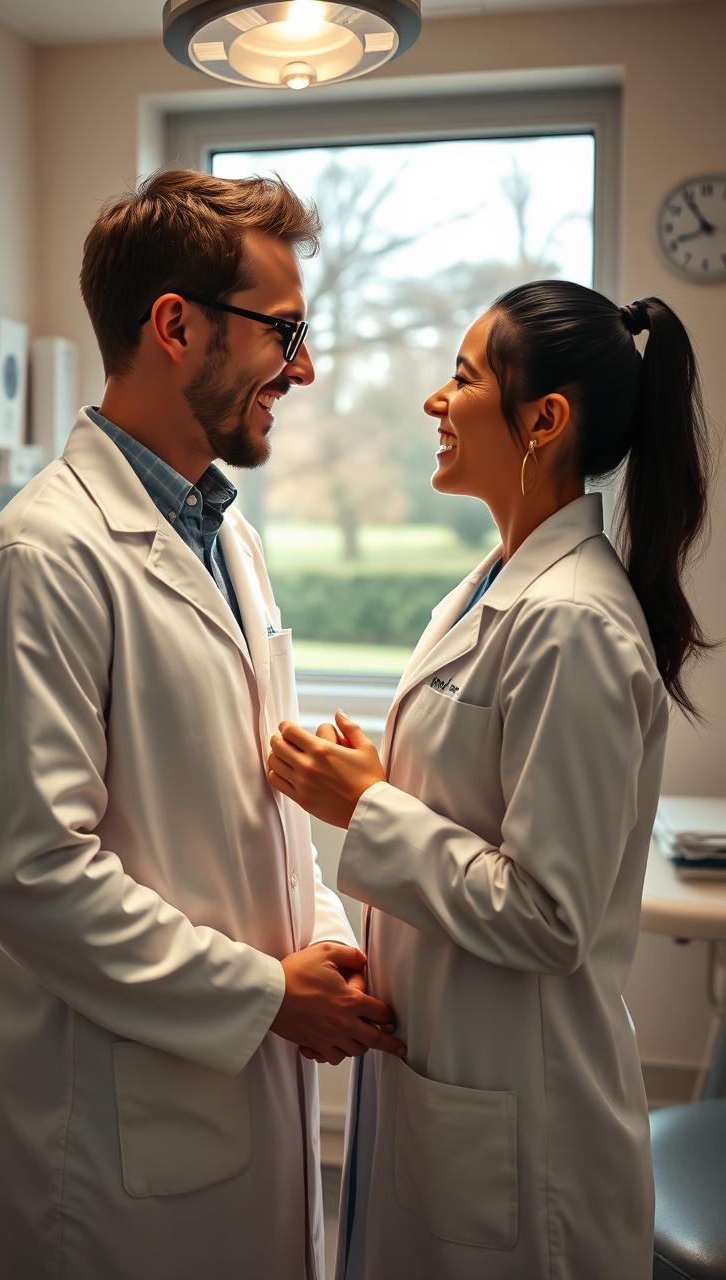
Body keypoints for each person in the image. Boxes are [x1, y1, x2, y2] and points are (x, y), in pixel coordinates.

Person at [0, 169, 406, 1280]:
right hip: (117, 1142)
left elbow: (259, 804)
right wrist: (264, 993)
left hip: (237, 1095)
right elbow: (29, 872)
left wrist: (324, 936)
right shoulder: (40, 560)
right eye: (283, 331)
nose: (305, 367)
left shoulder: (220, 537)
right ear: (176, 325)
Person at [267, 280, 712, 1280]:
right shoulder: (490, 588)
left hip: (524, 1125)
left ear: (543, 419)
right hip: (453, 1080)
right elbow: (487, 815)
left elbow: (549, 913)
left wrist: (364, 806)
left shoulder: (572, 623)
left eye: (461, 378)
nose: (434, 401)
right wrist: (387, 785)